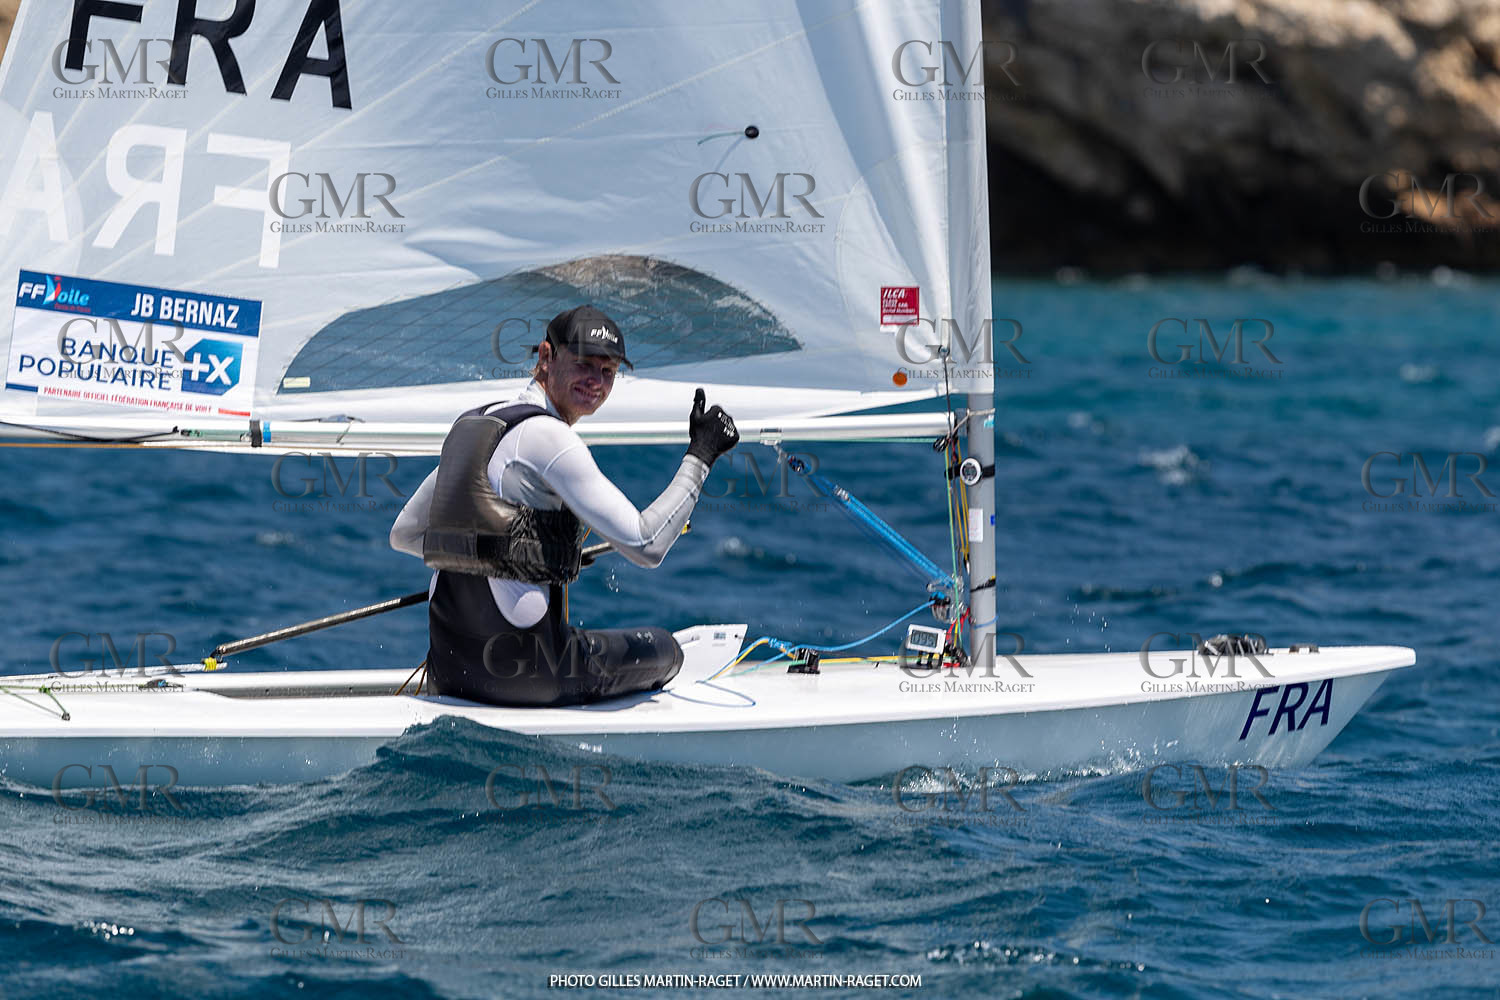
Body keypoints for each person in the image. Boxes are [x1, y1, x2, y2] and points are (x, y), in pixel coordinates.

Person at [389, 305, 739, 706]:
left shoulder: (473, 426)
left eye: (608, 372)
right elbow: (648, 545)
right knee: (663, 647)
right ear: (545, 357)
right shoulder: (551, 437)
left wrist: (530, 556)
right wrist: (702, 452)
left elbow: (404, 535)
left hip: (450, 671)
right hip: (527, 677)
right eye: (584, 364)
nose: (596, 381)